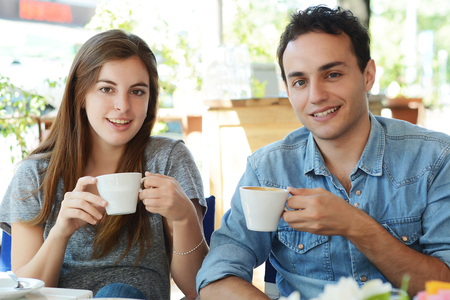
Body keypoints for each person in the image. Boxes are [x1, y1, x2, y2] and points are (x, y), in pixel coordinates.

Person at [196, 5, 450, 300]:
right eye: (300, 81)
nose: (315, 96)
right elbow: (215, 278)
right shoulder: (268, 170)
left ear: (367, 75)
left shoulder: (435, 159)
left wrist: (354, 225)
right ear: (288, 90)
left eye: (332, 74)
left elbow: (445, 285)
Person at [0, 29, 207, 300]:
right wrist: (60, 232)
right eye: (106, 89)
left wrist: (184, 218)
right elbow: (27, 292)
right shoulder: (36, 174)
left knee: (117, 293)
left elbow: (196, 288)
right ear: (81, 94)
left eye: (137, 91)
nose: (122, 106)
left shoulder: (167, 159)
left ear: (150, 100)